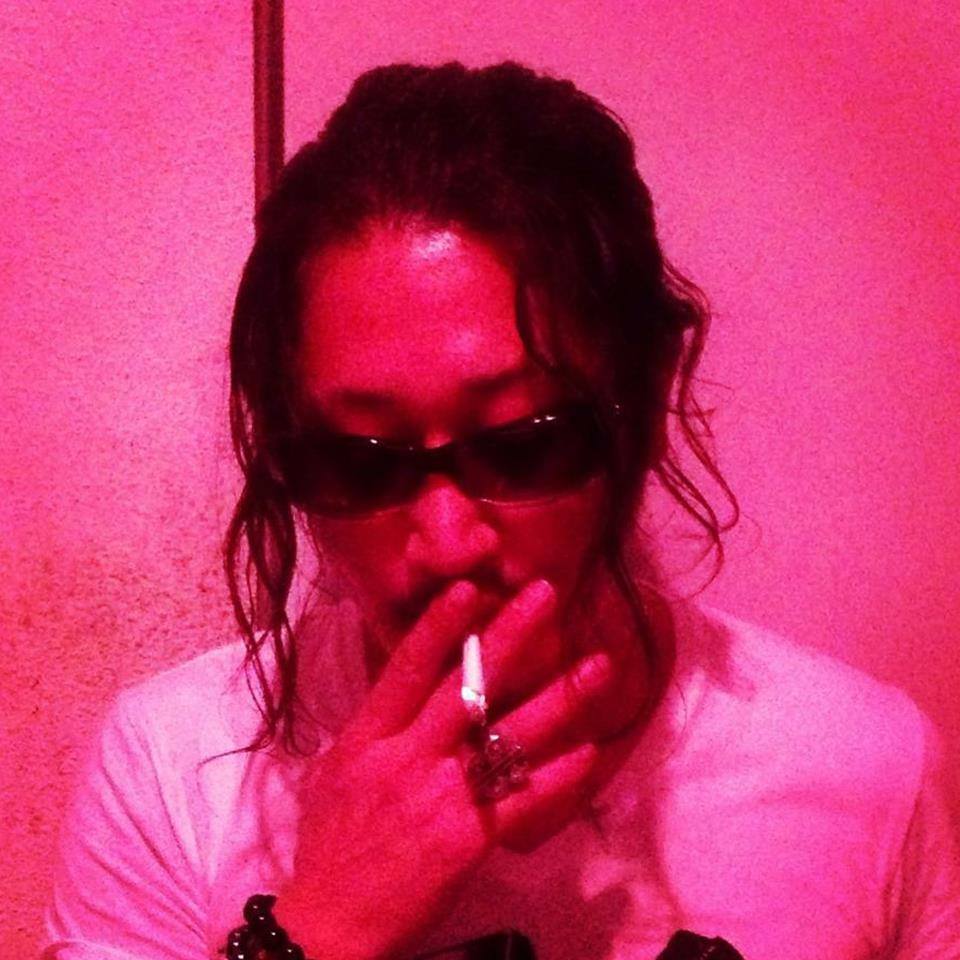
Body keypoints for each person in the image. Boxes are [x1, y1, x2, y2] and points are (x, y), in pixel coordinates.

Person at [43, 61, 960, 960]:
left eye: (525, 445)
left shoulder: (862, 765)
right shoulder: (172, 764)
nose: (447, 544)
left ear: (645, 398)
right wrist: (316, 932)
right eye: (359, 463)